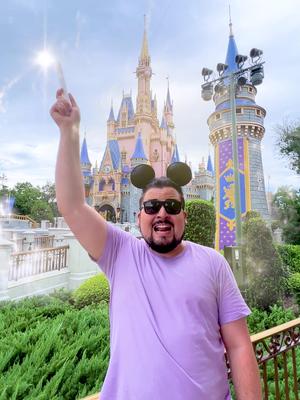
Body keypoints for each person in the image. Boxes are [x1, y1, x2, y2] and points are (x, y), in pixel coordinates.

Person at [50, 90, 262, 400]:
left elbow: (240, 345)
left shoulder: (213, 263)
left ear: (184, 216)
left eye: (171, 207)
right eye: (151, 207)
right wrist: (69, 132)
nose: (162, 213)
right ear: (139, 216)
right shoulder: (121, 253)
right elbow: (72, 205)